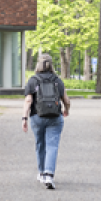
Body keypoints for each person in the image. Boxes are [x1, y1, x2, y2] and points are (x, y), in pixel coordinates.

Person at [21, 54, 70, 189]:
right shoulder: (57, 80)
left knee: (40, 144)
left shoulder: (33, 80)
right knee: (52, 145)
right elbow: (66, 100)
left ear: (38, 64)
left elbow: (28, 100)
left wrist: (24, 117)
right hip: (55, 117)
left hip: (37, 117)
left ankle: (42, 172)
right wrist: (66, 110)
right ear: (51, 65)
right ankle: (49, 174)